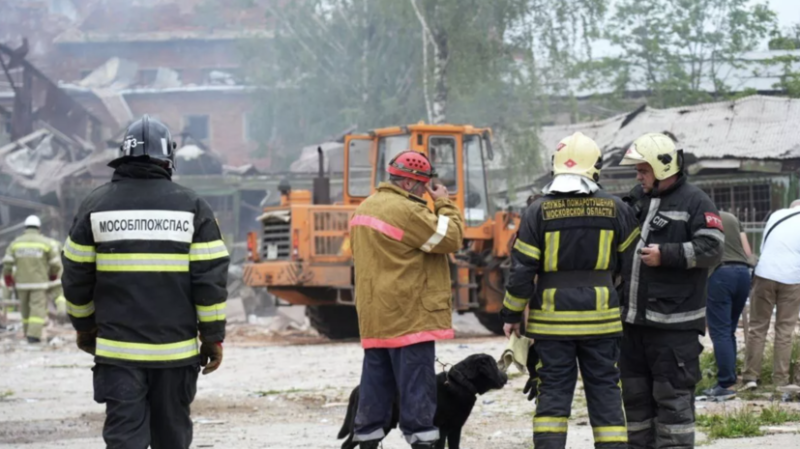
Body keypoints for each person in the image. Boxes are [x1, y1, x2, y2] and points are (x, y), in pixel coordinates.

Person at [61, 115, 230, 449]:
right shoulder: (193, 207)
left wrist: (83, 326)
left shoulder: (95, 205)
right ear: (169, 159)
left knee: (125, 439)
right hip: (176, 355)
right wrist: (212, 338)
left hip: (118, 354)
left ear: (124, 155)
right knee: (171, 437)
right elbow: (210, 282)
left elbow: (76, 276)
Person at [501, 132, 640, 449]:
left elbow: (522, 271)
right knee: (605, 389)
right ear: (596, 167)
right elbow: (633, 267)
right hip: (603, 320)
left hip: (552, 324)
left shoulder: (537, 211)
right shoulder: (617, 208)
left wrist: (511, 314)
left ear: (556, 167)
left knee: (553, 394)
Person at [349, 150, 464, 449]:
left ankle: (367, 440)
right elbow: (451, 238)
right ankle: (422, 442)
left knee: (376, 384)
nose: (425, 192)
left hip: (376, 315)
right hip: (409, 314)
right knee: (417, 386)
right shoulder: (407, 211)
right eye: (425, 186)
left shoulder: (366, 207)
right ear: (413, 184)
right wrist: (443, 202)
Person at [618, 133, 723, 449]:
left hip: (674, 329)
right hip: (633, 326)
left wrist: (668, 254)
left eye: (643, 170)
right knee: (635, 404)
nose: (638, 176)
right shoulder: (636, 199)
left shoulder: (696, 201)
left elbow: (713, 248)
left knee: (673, 404)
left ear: (663, 168)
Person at [742, 200, 800, 392]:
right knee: (784, 330)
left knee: (758, 327)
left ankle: (750, 377)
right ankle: (780, 381)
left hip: (765, 274)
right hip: (792, 278)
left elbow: (765, 246)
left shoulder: (776, 216)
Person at [704, 211, 753, 400]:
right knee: (729, 330)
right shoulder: (732, 218)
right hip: (742, 273)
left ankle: (725, 384)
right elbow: (748, 252)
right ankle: (730, 379)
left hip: (720, 273)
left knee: (720, 331)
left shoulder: (703, 216)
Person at [2, 215, 61, 343]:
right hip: (39, 283)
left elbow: (7, 263)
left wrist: (7, 277)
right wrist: (53, 274)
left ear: (25, 228)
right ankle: (33, 336)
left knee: (24, 309)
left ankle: (27, 331)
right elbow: (55, 264)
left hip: (21, 283)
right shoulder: (45, 243)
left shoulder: (16, 243)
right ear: (39, 228)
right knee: (37, 309)